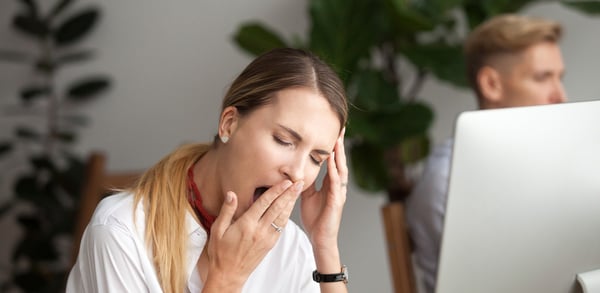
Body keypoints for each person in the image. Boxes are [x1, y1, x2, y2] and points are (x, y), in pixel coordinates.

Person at [67, 48, 350, 293]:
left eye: (316, 158)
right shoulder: (120, 231)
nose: (298, 173)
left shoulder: (292, 247)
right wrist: (226, 278)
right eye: (284, 141)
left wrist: (324, 245)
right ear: (229, 124)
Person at [405, 14, 566, 293]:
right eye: (542, 78)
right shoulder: (451, 180)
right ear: (491, 84)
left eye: (559, 78)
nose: (560, 96)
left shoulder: (551, 165)